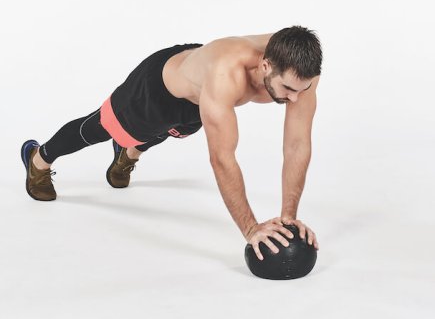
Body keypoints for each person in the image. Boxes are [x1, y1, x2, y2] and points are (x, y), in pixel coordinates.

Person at [21, 26, 322, 260]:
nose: (295, 99)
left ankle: (129, 154)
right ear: (266, 66)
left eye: (302, 90)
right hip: (158, 91)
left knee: (165, 132)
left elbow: (296, 145)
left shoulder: (299, 70)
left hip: (197, 103)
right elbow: (223, 159)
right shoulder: (225, 74)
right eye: (288, 90)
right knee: (102, 127)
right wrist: (251, 229)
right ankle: (39, 158)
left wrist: (288, 219)